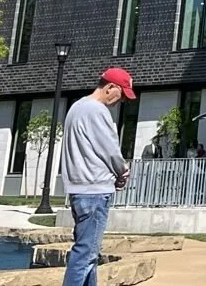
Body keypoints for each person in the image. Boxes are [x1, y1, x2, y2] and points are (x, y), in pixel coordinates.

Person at [61, 67, 135, 286]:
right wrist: (122, 170)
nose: (119, 101)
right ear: (110, 87)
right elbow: (110, 148)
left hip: (78, 188)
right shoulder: (96, 110)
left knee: (89, 253)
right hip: (95, 190)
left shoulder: (77, 107)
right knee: (85, 255)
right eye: (121, 95)